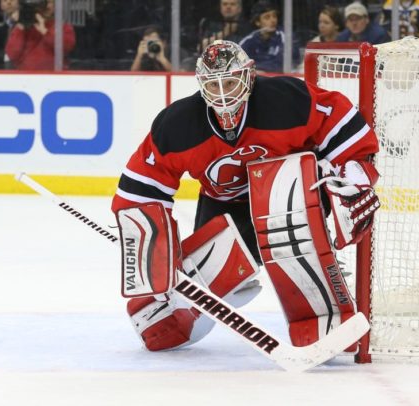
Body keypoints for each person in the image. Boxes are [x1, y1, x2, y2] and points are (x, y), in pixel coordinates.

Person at [112, 40, 380, 353]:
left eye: (229, 82)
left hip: (290, 195)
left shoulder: (285, 100)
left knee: (285, 204)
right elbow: (141, 187)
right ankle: (224, 286)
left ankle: (324, 315)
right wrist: (151, 253)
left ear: (249, 76)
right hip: (225, 207)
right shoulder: (178, 125)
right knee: (158, 320)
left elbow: (341, 122)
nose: (223, 94)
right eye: (213, 85)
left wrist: (355, 179)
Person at [4, 0, 75, 70]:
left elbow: (67, 46)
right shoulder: (25, 26)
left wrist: (44, 31)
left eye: (50, 2)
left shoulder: (62, 26)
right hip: (25, 77)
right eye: (43, 2)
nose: (47, 6)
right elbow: (12, 54)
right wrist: (21, 26)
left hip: (54, 77)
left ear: (55, 6)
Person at [239, 0, 299, 72]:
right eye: (267, 17)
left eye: (274, 16)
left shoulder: (285, 37)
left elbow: (282, 64)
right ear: (257, 22)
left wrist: (254, 69)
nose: (273, 20)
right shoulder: (249, 41)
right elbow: (239, 63)